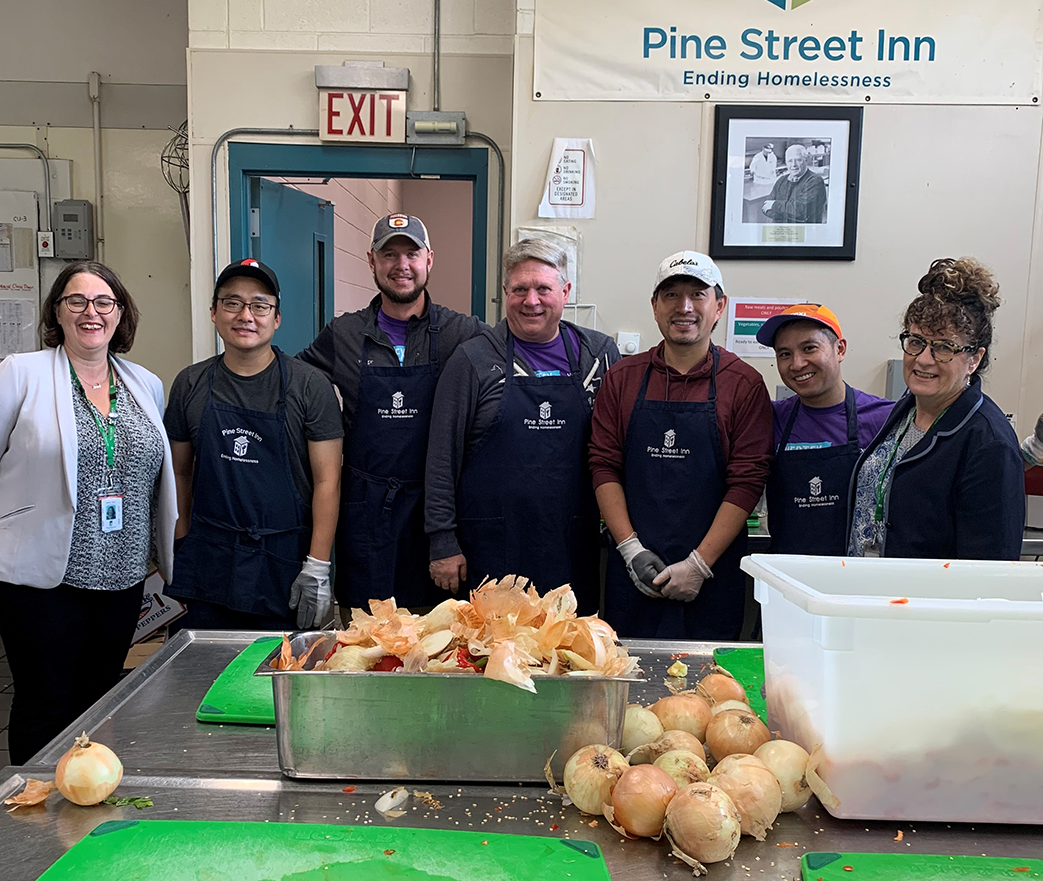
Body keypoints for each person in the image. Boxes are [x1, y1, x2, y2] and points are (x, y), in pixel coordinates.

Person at [0, 261, 176, 763]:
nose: (90, 312)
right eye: (76, 301)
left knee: (98, 701)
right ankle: (32, 799)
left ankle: (84, 792)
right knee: (44, 701)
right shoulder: (20, 374)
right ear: (57, 312)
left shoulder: (145, 383)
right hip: (39, 577)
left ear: (120, 314)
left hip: (122, 575)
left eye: (104, 302)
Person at [297, 214, 483, 613]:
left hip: (435, 512)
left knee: (439, 634)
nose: (402, 265)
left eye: (412, 254)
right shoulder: (343, 334)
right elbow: (294, 383)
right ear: (372, 261)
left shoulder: (462, 333)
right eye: (389, 254)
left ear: (429, 259)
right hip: (366, 516)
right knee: (365, 633)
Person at [424, 238, 618, 612]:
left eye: (543, 288)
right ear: (505, 294)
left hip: (572, 544)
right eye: (519, 290)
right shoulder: (473, 360)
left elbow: (615, 451)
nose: (531, 301)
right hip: (493, 547)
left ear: (565, 292)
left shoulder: (599, 355)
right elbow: (441, 458)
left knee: (568, 644)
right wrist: (442, 540)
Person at [590, 251, 773, 640]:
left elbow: (747, 481)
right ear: (655, 307)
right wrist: (630, 550)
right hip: (632, 574)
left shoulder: (743, 384)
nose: (684, 307)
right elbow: (604, 465)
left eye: (697, 294)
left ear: (719, 306)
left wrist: (699, 565)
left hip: (712, 577)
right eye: (671, 295)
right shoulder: (622, 378)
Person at [165, 259, 343, 630]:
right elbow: (179, 473)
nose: (245, 315)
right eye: (232, 303)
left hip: (283, 565)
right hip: (208, 563)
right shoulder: (190, 383)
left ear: (276, 318)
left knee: (278, 667)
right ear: (214, 312)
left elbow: (328, 481)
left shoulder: (309, 386)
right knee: (201, 664)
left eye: (260, 305)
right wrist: (181, 543)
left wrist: (317, 565)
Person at [847, 257, 1025, 559]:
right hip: (867, 584)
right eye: (916, 341)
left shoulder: (989, 443)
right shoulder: (907, 410)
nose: (923, 359)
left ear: (974, 359)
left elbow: (989, 567)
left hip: (920, 591)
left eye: (944, 347)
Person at [756, 304, 895, 555]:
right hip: (787, 570)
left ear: (840, 349)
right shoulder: (770, 418)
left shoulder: (884, 419)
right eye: (784, 354)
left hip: (855, 572)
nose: (797, 364)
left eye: (809, 348)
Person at [762, 143, 827, 224]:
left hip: (804, 230)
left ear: (806, 160)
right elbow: (765, 208)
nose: (793, 165)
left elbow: (801, 211)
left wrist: (774, 205)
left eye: (798, 160)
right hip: (781, 230)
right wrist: (790, 213)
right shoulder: (781, 180)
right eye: (790, 161)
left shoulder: (815, 181)